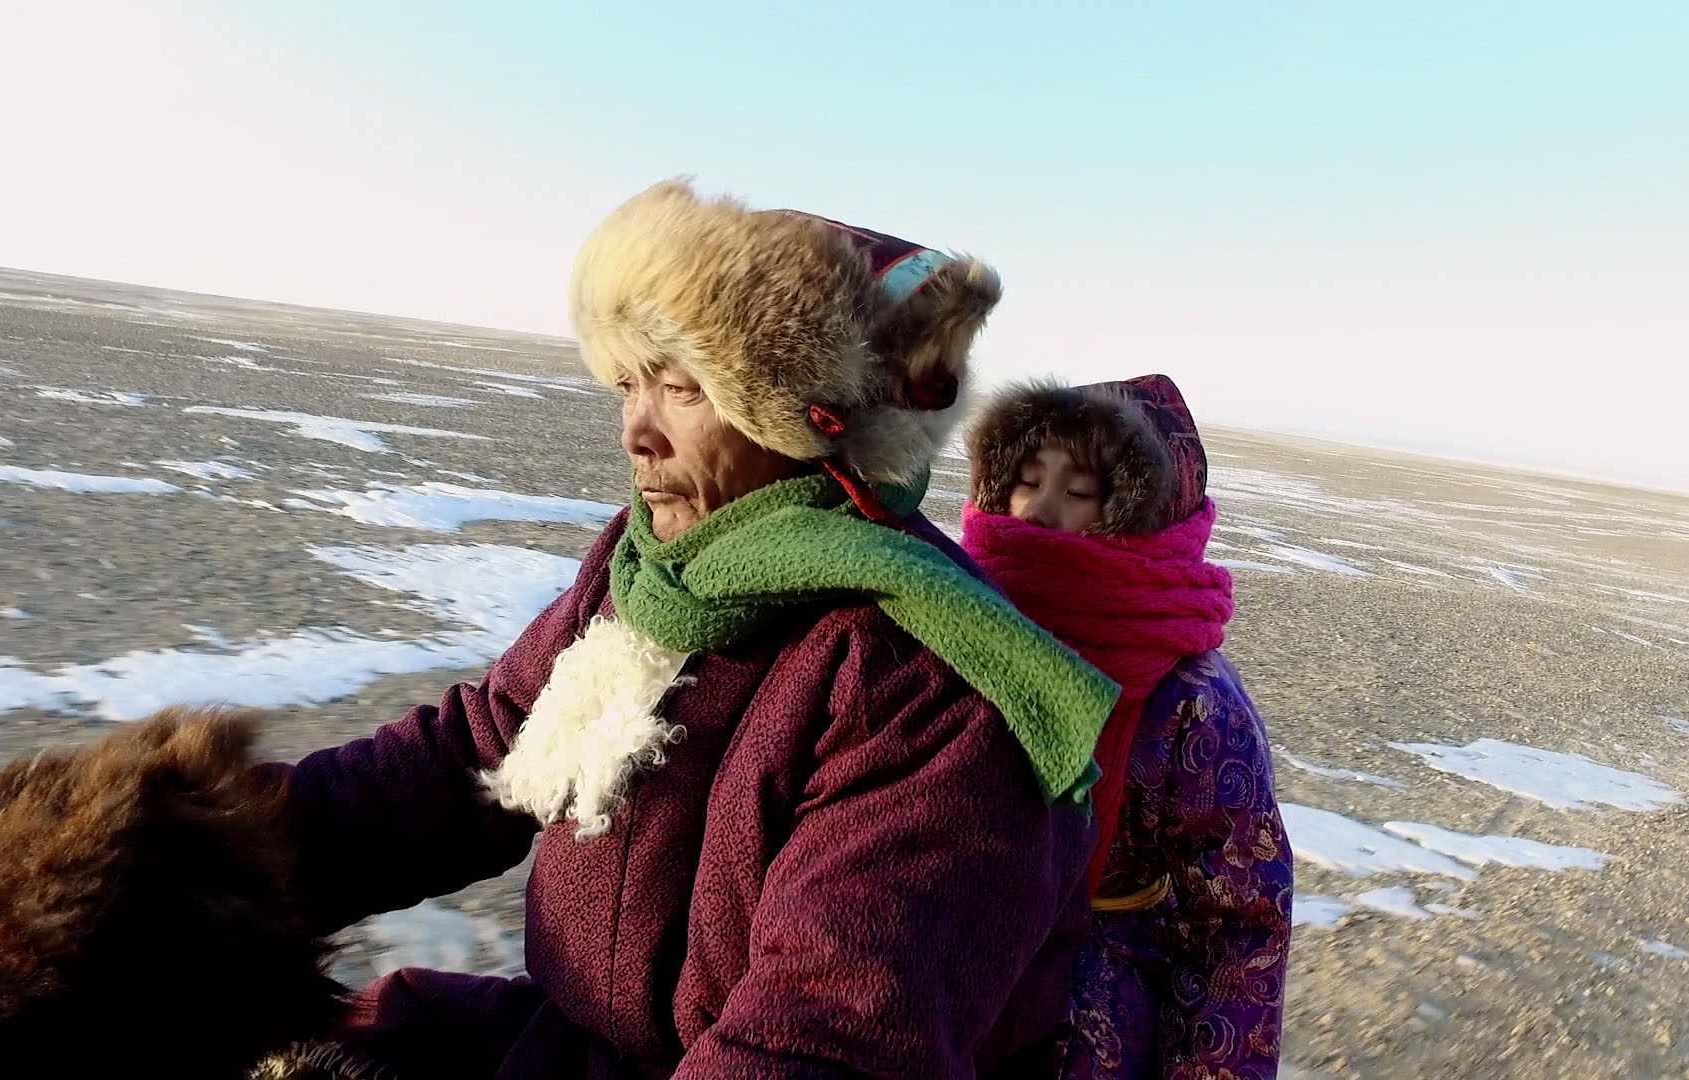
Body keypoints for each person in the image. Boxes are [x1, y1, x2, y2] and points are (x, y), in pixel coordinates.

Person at [255, 180, 1120, 1078]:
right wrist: (197, 860)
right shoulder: (657, 570)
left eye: (683, 387)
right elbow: (472, 758)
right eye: (628, 381)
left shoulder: (932, 680)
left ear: (810, 420)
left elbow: (823, 1041)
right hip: (578, 1045)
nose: (637, 430)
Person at [960, 375, 1293, 1080]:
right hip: (938, 1004)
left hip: (1086, 1040)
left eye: (1079, 493)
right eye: (1024, 481)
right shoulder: (954, 631)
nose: (1039, 513)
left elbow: (1235, 928)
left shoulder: (1193, 703)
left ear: (1144, 516)